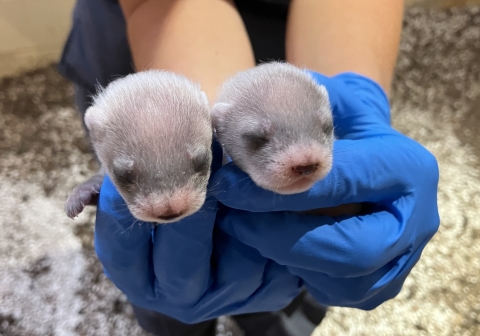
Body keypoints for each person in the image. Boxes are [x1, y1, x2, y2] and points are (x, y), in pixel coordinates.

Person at [58, 0, 440, 335]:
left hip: (286, 54)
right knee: (164, 274)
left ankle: (281, 319)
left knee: (296, 273)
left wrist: (358, 94)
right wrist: (205, 132)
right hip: (150, 35)